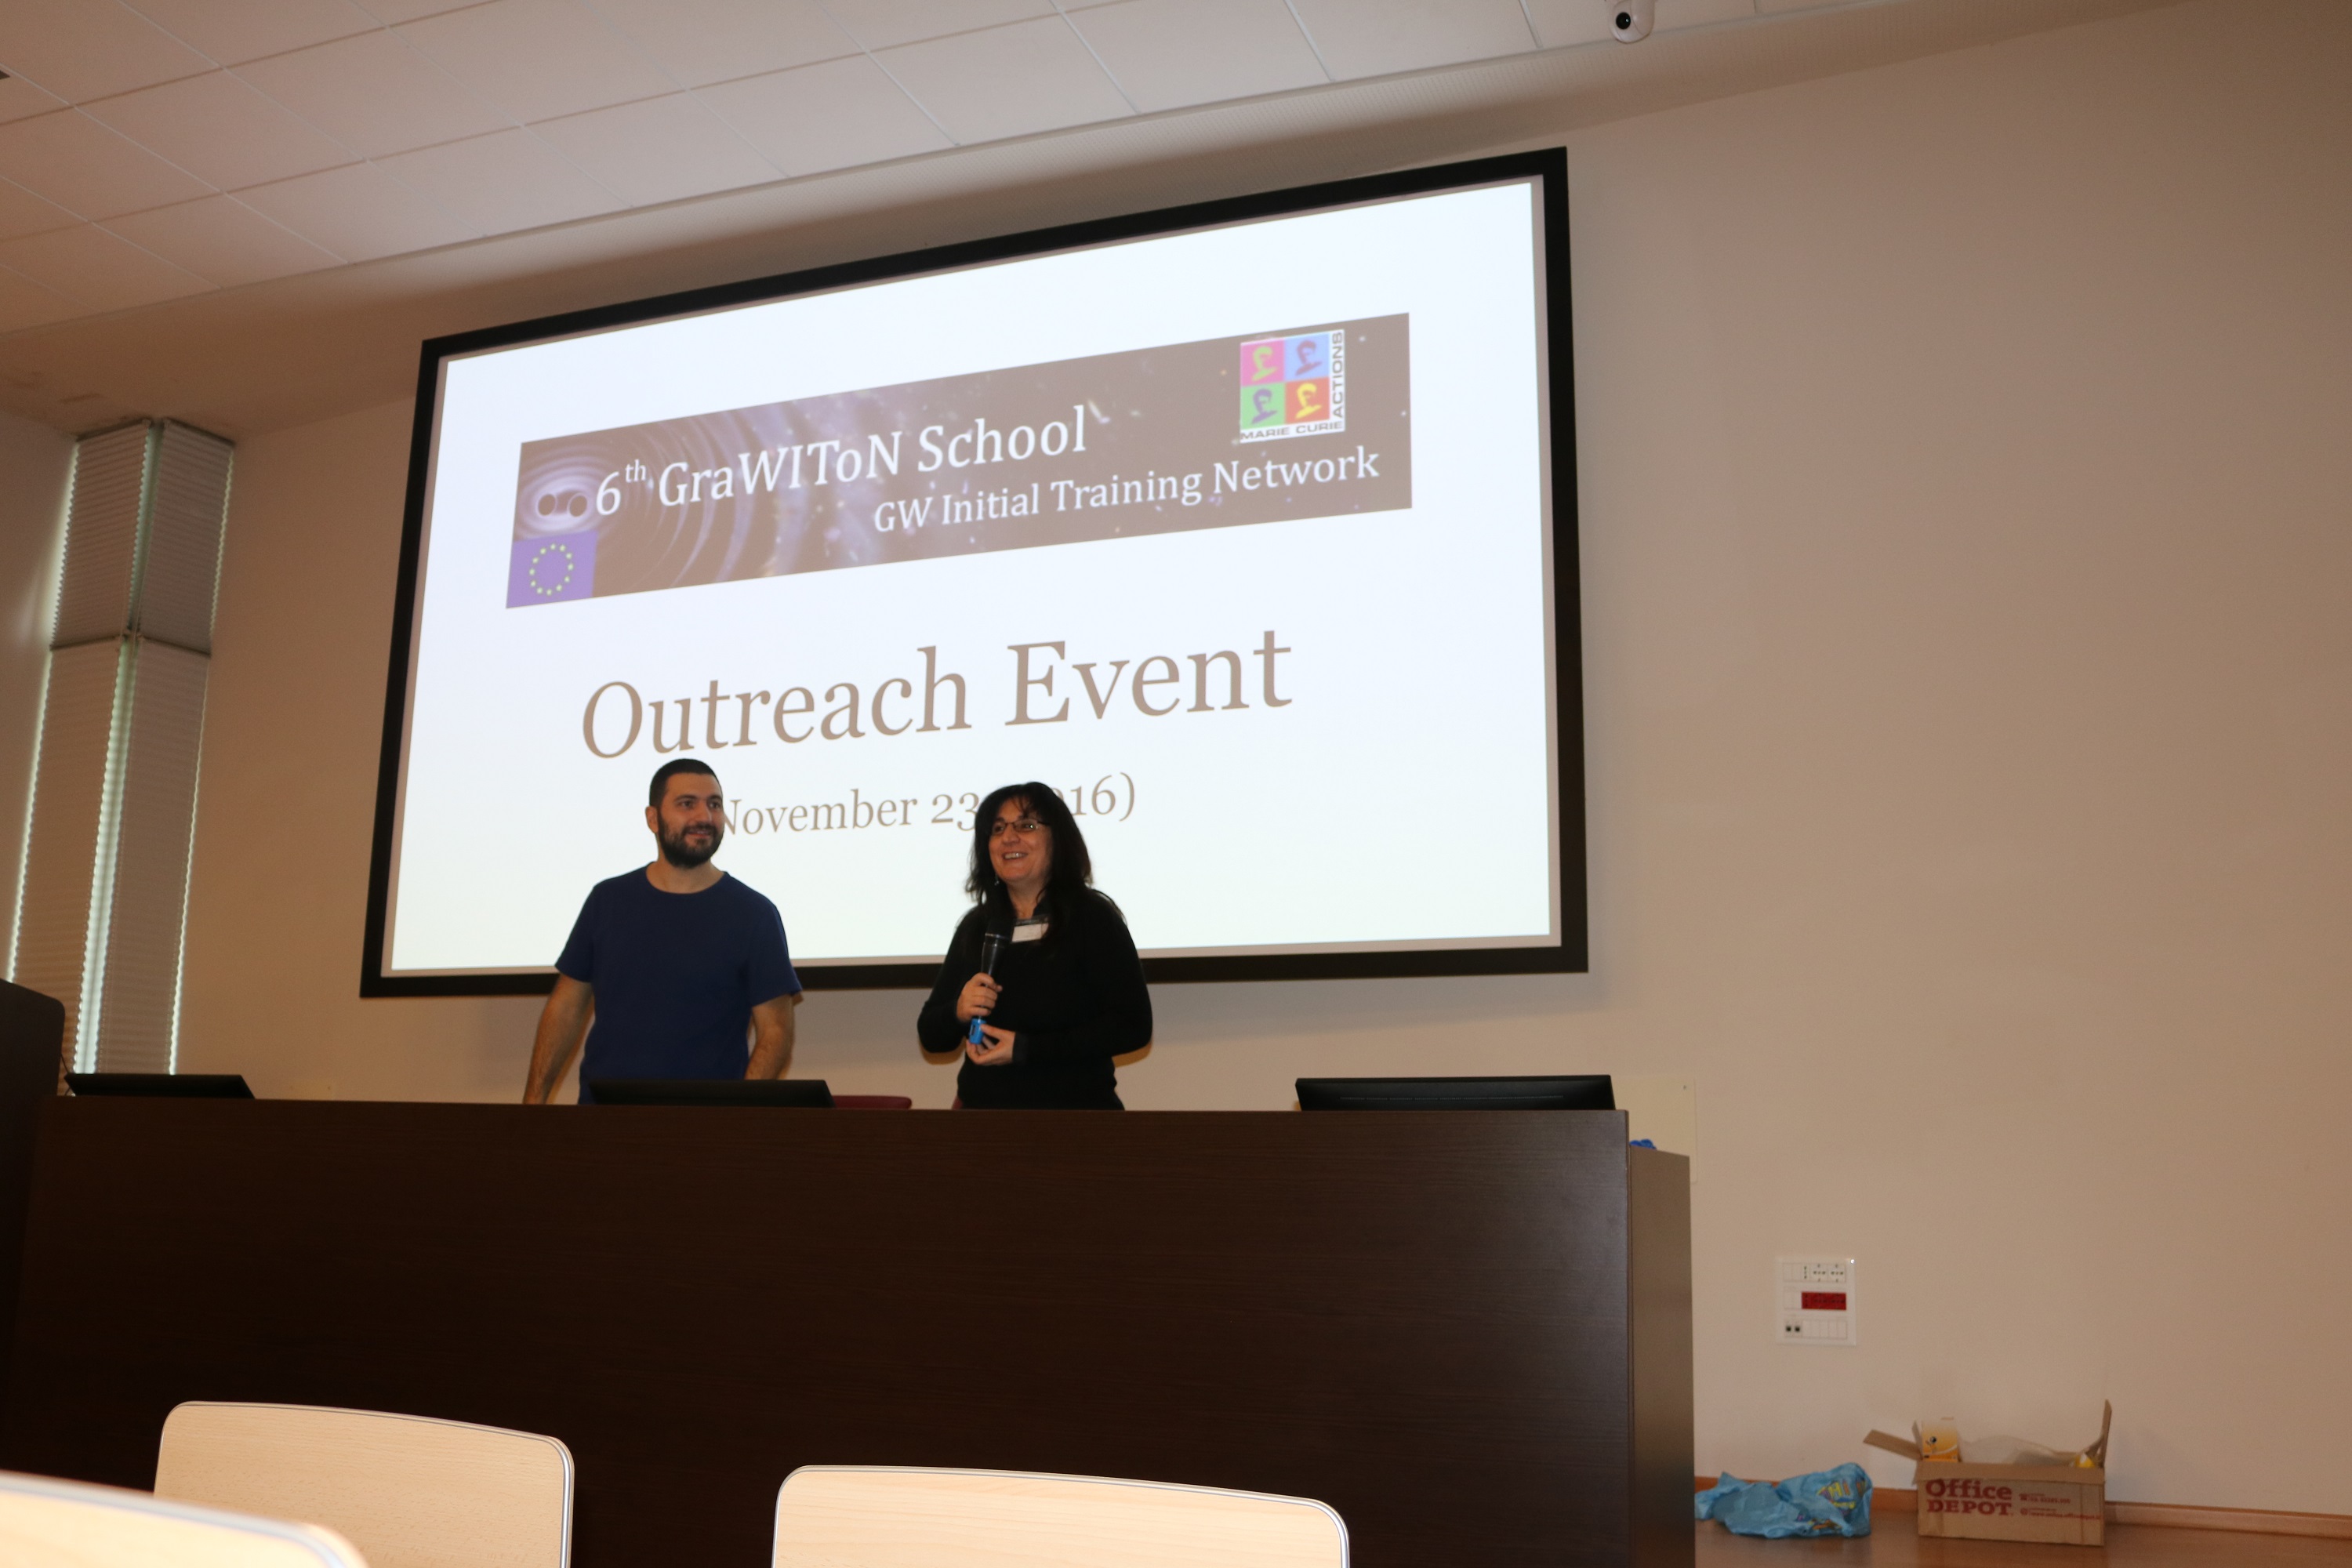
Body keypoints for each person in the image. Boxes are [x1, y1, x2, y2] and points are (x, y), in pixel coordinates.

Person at [524, 759, 801, 1103]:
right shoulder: (607, 901)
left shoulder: (754, 914)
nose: (704, 817)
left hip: (706, 1122)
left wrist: (738, 1113)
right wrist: (532, 1105)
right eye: (687, 804)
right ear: (653, 818)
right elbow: (565, 1007)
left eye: (714, 805)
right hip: (604, 1117)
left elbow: (776, 1031)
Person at [916, 782, 1152, 1109]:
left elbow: (1132, 1026)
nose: (1009, 838)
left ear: (1058, 840)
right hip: (983, 1118)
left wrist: (1027, 1049)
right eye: (997, 829)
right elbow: (932, 1037)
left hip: (1075, 1117)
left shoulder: (1091, 918)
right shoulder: (977, 925)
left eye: (1026, 826)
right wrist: (957, 1010)